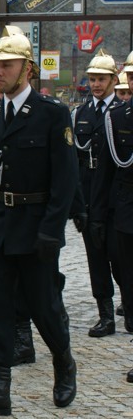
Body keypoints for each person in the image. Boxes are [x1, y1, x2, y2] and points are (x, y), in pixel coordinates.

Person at [0, 26, 78, 417]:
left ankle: (63, 361)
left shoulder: (52, 113)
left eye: (6, 66)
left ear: (27, 69)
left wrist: (52, 230)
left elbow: (65, 179)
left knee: (44, 306)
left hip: (35, 226)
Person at [71, 49, 125, 339]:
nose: (96, 84)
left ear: (114, 80)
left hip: (115, 196)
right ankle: (105, 315)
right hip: (89, 192)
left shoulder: (121, 112)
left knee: (120, 256)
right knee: (96, 258)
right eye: (92, 79)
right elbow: (73, 159)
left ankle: (127, 305)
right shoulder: (80, 113)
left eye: (101, 79)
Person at [92, 51, 133, 383]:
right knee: (129, 280)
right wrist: (97, 214)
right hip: (126, 210)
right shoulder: (118, 117)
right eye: (131, 76)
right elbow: (105, 170)